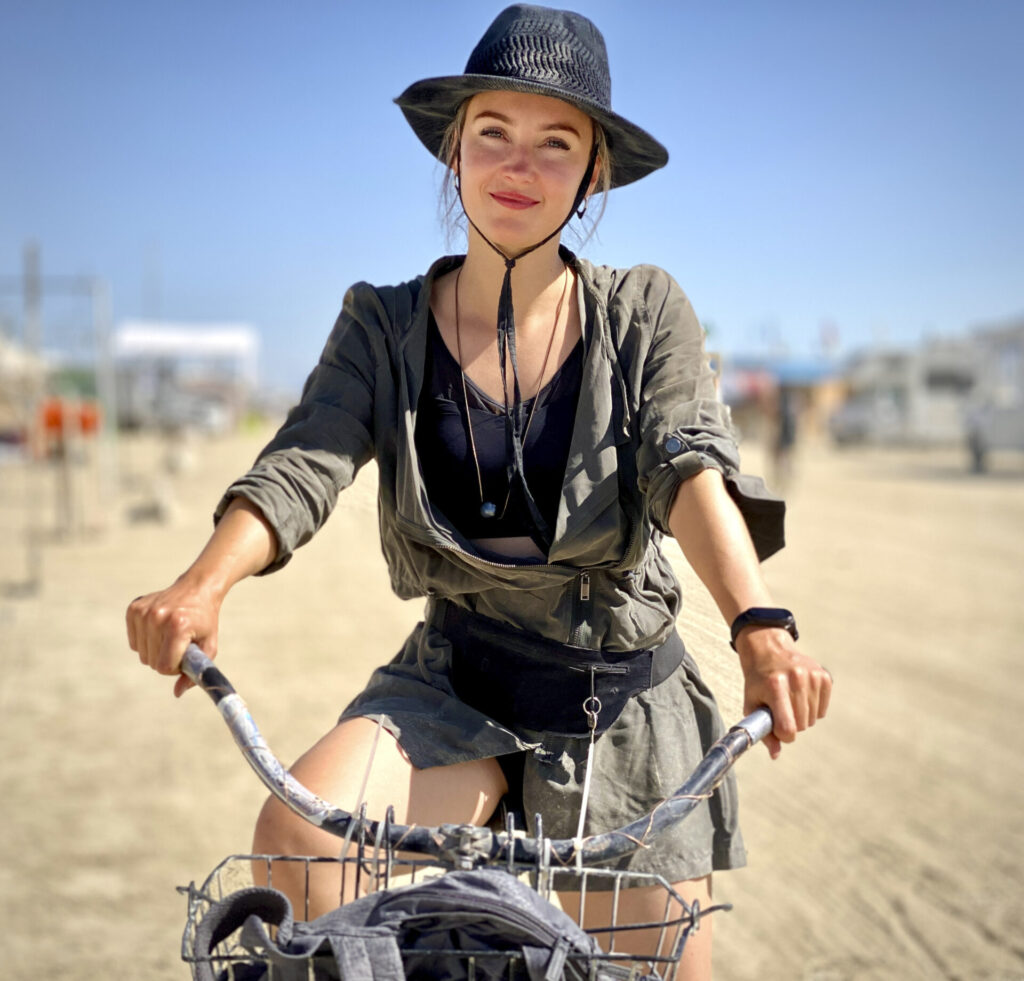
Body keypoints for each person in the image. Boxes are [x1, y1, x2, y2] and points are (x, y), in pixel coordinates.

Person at [126, 6, 831, 978]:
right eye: (492, 132)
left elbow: (685, 462)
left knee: (647, 968)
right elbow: (306, 457)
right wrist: (204, 583)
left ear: (594, 174)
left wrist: (759, 623)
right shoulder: (381, 322)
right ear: (453, 149)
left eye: (556, 143)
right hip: (457, 679)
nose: (518, 164)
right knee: (298, 850)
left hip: (615, 702)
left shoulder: (641, 313)